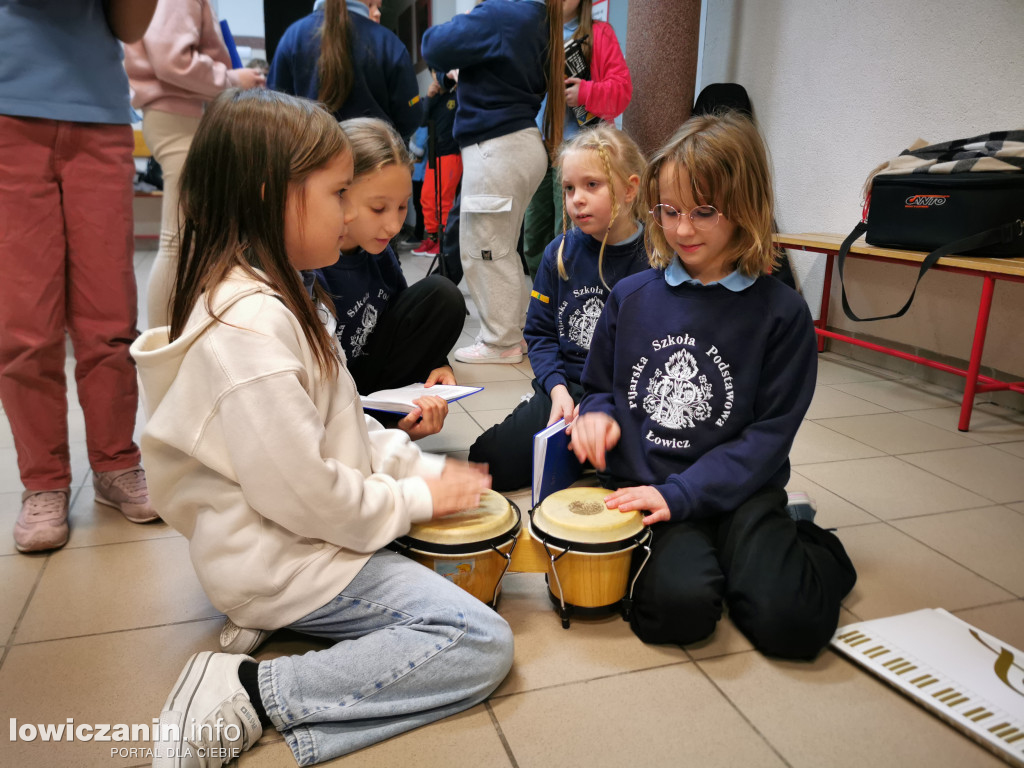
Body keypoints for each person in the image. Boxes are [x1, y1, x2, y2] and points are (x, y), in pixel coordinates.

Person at [133, 89, 511, 768]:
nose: (349, 215)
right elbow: (306, 494)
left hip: (292, 538)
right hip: (285, 557)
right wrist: (417, 501)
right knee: (478, 641)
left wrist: (421, 470)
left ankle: (271, 635)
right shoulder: (249, 327)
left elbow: (347, 431)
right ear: (268, 195)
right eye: (340, 194)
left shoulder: (288, 295)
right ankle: (251, 690)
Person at [570, 112, 857, 660]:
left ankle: (807, 542)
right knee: (675, 615)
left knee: (791, 628)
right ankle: (729, 563)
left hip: (742, 495)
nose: (683, 230)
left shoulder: (782, 314)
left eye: (705, 212)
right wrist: (597, 416)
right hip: (654, 493)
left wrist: (686, 496)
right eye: (670, 211)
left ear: (746, 208)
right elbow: (600, 388)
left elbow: (767, 437)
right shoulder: (630, 297)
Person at [0, 0, 160, 553]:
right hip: (8, 109)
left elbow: (132, 25)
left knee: (110, 316)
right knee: (25, 325)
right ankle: (43, 480)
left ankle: (116, 463)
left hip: (99, 110)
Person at [469, 124, 647, 491]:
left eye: (592, 185)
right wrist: (556, 390)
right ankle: (569, 443)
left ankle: (585, 451)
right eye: (569, 188)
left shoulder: (655, 260)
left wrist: (605, 406)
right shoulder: (559, 253)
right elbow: (540, 332)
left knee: (626, 474)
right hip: (567, 387)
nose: (576, 199)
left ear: (630, 189)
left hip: (623, 396)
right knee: (486, 462)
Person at [422, 0, 566, 365]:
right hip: (517, 141)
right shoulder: (536, 16)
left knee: (484, 248)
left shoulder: (501, 13)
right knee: (501, 246)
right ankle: (513, 334)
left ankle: (500, 342)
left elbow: (433, 43)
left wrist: (474, 14)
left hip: (497, 147)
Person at [317, 117, 466, 439]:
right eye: (378, 208)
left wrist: (438, 364)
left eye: (402, 207)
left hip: (368, 383)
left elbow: (403, 314)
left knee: (442, 295)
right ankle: (374, 433)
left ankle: (388, 422)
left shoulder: (378, 251)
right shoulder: (311, 262)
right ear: (339, 193)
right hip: (324, 397)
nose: (395, 226)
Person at [124, 0, 266, 329]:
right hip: (179, 114)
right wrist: (232, 78)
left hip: (174, 113)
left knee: (185, 240)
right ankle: (164, 346)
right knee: (179, 241)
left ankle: (174, 339)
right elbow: (171, 59)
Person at [524, 0, 632, 280]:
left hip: (579, 152)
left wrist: (585, 92)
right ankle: (544, 296)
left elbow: (622, 91)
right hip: (536, 148)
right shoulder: (533, 33)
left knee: (571, 233)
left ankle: (572, 295)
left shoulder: (600, 33)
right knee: (533, 235)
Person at [269, 0, 422, 140]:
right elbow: (410, 118)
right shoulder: (388, 43)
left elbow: (274, 112)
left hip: (312, 162)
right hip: (376, 162)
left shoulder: (292, 38)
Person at [411, 71, 461, 258]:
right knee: (426, 198)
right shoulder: (431, 98)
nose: (436, 78)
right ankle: (432, 238)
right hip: (433, 155)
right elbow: (421, 121)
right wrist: (430, 96)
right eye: (434, 74)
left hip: (450, 154)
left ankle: (445, 243)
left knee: (444, 200)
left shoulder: (457, 96)